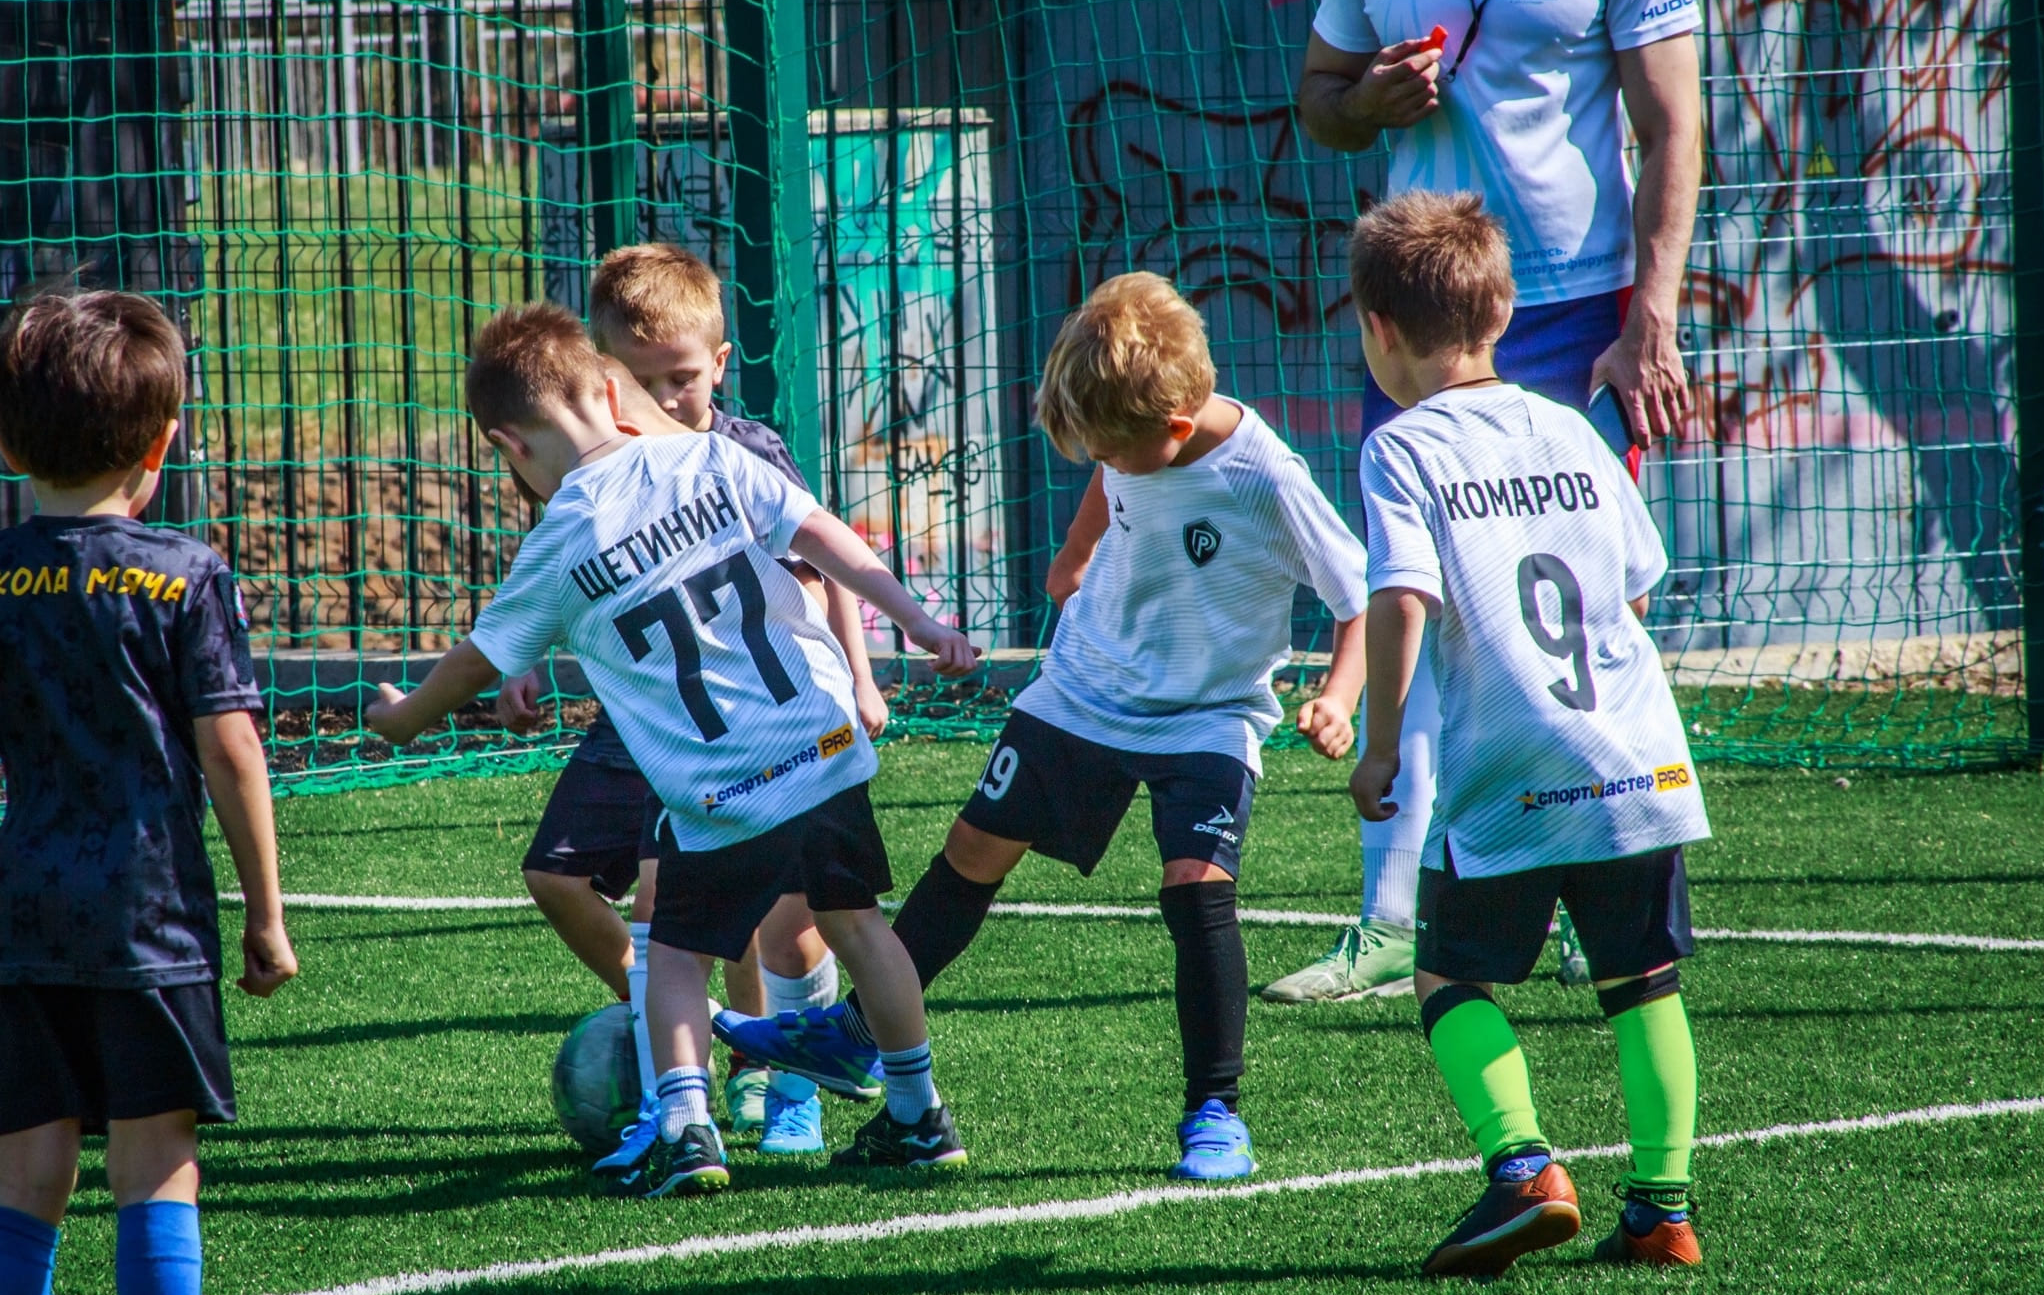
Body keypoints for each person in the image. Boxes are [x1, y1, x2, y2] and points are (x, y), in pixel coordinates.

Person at [719, 273, 1370, 1181]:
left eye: (1113, 451)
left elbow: (1358, 596)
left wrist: (1339, 696)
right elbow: (1110, 481)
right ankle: (856, 1034)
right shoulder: (1133, 439)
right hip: (1084, 687)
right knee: (972, 852)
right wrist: (1074, 554)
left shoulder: (1265, 478)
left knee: (1198, 887)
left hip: (1209, 713)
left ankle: (1215, 1112)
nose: (1104, 463)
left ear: (1177, 426)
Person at [366, 303, 981, 1196]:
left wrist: (405, 718)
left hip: (722, 789)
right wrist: (917, 621)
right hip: (821, 744)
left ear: (508, 445)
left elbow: (475, 662)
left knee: (675, 953)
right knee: (859, 925)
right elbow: (823, 535)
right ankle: (921, 1116)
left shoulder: (558, 541)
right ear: (611, 391)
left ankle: (689, 1133)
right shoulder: (712, 458)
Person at [1270, 0, 1703, 1004]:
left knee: (1590, 606)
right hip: (1425, 318)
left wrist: (1651, 318)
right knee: (1415, 597)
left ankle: (1588, 886)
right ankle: (1385, 916)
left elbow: (1672, 127)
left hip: (1577, 314)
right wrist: (1367, 103)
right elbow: (1320, 103)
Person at [0, 289, 298, 1295]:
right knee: (155, 1165)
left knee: (27, 1168)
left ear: (2, 440)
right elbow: (232, 748)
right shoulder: (184, 575)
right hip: (149, 919)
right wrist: (267, 911)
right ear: (163, 440)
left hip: (26, 916)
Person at [1347, 191, 1707, 1276]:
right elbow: (1634, 588)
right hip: (1635, 752)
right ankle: (1663, 1209)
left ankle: (1522, 1166)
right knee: (1644, 979)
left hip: (1511, 761)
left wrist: (1378, 743)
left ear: (1377, 328)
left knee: (1445, 975)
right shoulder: (1571, 430)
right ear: (1501, 311)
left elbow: (1400, 597)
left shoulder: (1401, 448)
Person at [499, 244, 885, 1158]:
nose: (663, 401)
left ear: (718, 364)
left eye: (679, 379)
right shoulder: (588, 460)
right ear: (602, 380)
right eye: (640, 382)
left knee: (773, 919)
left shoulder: (739, 454)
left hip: (755, 721)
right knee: (566, 878)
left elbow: (821, 564)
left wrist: (862, 676)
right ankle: (691, 1056)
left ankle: (779, 1084)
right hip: (646, 721)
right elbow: (556, 583)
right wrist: (520, 663)